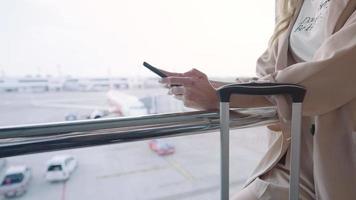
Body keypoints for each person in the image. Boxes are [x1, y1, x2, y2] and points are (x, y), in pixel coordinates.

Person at [159, 0, 356, 199]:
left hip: (341, 161)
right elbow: (267, 78)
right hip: (292, 163)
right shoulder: (293, 6)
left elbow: (330, 74)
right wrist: (213, 87)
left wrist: (224, 97)